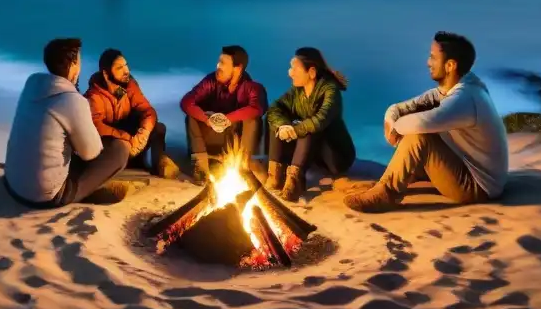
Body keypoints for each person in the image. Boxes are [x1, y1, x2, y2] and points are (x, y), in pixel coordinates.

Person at [345, 31, 509, 213]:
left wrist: (396, 129)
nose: (428, 63)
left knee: (419, 137)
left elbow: (422, 124)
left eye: (433, 57)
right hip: (462, 165)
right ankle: (392, 180)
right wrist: (392, 119)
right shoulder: (448, 91)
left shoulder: (466, 98)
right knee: (418, 125)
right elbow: (401, 108)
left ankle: (386, 193)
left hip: (479, 187)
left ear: (450, 66)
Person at [3, 38, 131, 207]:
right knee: (120, 150)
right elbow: (90, 153)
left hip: (13, 183)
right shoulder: (73, 100)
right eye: (79, 61)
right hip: (45, 195)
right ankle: (82, 193)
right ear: (72, 66)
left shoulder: (32, 83)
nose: (80, 67)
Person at [266, 47, 357, 202]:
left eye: (295, 68)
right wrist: (283, 126)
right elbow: (275, 108)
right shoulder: (297, 92)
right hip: (313, 153)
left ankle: (295, 181)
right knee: (276, 121)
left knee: (310, 127)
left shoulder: (330, 90)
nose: (290, 73)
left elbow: (320, 119)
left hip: (335, 155)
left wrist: (294, 130)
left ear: (312, 72)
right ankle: (275, 175)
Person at [85, 48, 181, 179]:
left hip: (131, 140)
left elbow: (148, 110)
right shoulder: (94, 96)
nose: (127, 71)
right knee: (113, 143)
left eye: (126, 65)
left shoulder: (129, 85)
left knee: (158, 128)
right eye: (119, 68)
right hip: (111, 142)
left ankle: (158, 165)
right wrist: (124, 137)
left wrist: (143, 133)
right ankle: (112, 170)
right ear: (106, 74)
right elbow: (96, 126)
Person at [180, 45, 268, 183]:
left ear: (237, 68)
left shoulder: (253, 88)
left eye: (223, 63)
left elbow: (257, 108)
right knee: (192, 116)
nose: (218, 66)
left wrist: (228, 119)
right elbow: (186, 101)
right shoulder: (210, 81)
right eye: (218, 61)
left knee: (253, 120)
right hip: (212, 134)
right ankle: (201, 166)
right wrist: (206, 119)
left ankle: (243, 166)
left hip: (235, 139)